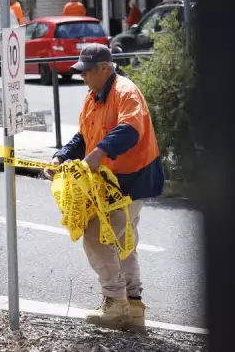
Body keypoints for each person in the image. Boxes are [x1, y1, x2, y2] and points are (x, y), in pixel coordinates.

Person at [45, 43, 164, 330]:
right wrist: (62, 155)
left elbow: (130, 129)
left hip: (130, 182)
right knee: (124, 241)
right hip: (112, 184)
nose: (81, 76)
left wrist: (98, 154)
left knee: (97, 237)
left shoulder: (125, 91)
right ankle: (133, 306)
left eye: (85, 71)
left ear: (104, 68)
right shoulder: (94, 97)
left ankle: (115, 304)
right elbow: (84, 136)